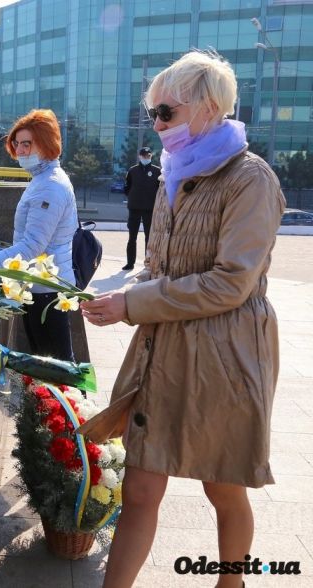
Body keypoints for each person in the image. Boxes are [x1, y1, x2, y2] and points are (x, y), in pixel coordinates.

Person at [78, 50, 284, 588]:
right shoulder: (176, 169)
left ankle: (230, 581)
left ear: (209, 108)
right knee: (141, 490)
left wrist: (136, 303)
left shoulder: (250, 178)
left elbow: (231, 282)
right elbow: (158, 265)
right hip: (163, 349)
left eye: (165, 112)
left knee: (224, 488)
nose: (157, 124)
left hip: (225, 353)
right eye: (153, 114)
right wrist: (124, 296)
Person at [0, 109, 78, 361]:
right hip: (41, 283)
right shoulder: (43, 178)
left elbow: (33, 244)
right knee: (50, 361)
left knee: (57, 364)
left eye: (27, 144)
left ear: (46, 144)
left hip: (47, 288)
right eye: (17, 144)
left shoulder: (50, 186)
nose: (20, 150)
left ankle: (74, 402)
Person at [122, 147, 160, 271]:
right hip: (134, 208)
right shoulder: (132, 171)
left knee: (149, 238)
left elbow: (160, 190)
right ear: (139, 156)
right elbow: (127, 188)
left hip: (150, 209)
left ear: (151, 156)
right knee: (132, 237)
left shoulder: (157, 171)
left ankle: (147, 264)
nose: (145, 158)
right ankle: (130, 263)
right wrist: (134, 198)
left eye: (148, 156)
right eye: (143, 156)